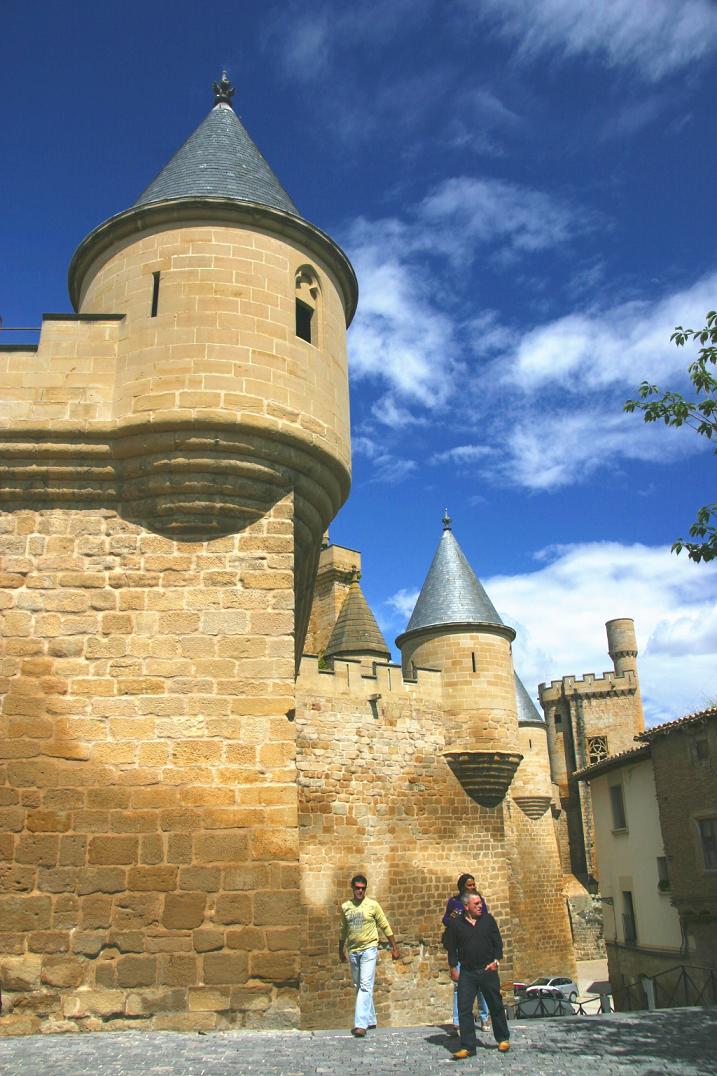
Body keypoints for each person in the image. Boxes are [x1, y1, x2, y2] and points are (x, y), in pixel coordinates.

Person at [444, 890, 510, 1060]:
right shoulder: (456, 924)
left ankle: (503, 1038)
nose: (480, 906)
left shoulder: (488, 920)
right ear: (466, 906)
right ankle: (467, 1047)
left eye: (480, 903)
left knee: (495, 1004)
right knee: (464, 1008)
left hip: (487, 969)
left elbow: (498, 943)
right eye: (476, 904)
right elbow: (451, 946)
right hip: (467, 972)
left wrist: (496, 961)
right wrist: (453, 967)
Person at [339, 873, 400, 1037]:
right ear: (352, 888)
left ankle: (360, 1025)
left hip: (369, 949)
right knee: (358, 985)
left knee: (365, 985)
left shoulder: (373, 905)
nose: (360, 891)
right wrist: (340, 949)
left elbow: (384, 925)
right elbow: (343, 929)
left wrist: (394, 947)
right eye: (357, 888)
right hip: (353, 950)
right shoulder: (346, 907)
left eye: (363, 889)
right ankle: (371, 1019)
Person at [442, 874, 490, 1033]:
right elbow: (446, 921)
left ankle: (484, 1018)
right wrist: (453, 916)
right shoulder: (454, 902)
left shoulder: (479, 900)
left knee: (482, 985)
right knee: (459, 986)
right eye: (469, 885)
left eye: (473, 885)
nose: (472, 887)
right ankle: (457, 1021)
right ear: (462, 886)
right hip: (459, 947)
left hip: (477, 947)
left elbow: (485, 920)